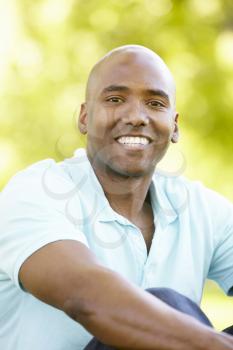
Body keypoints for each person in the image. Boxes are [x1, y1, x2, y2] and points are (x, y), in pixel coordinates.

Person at [0, 45, 233, 350]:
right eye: (115, 99)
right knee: (167, 305)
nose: (137, 116)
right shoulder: (33, 193)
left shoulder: (201, 208)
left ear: (174, 125)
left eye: (154, 102)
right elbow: (86, 297)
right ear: (84, 117)